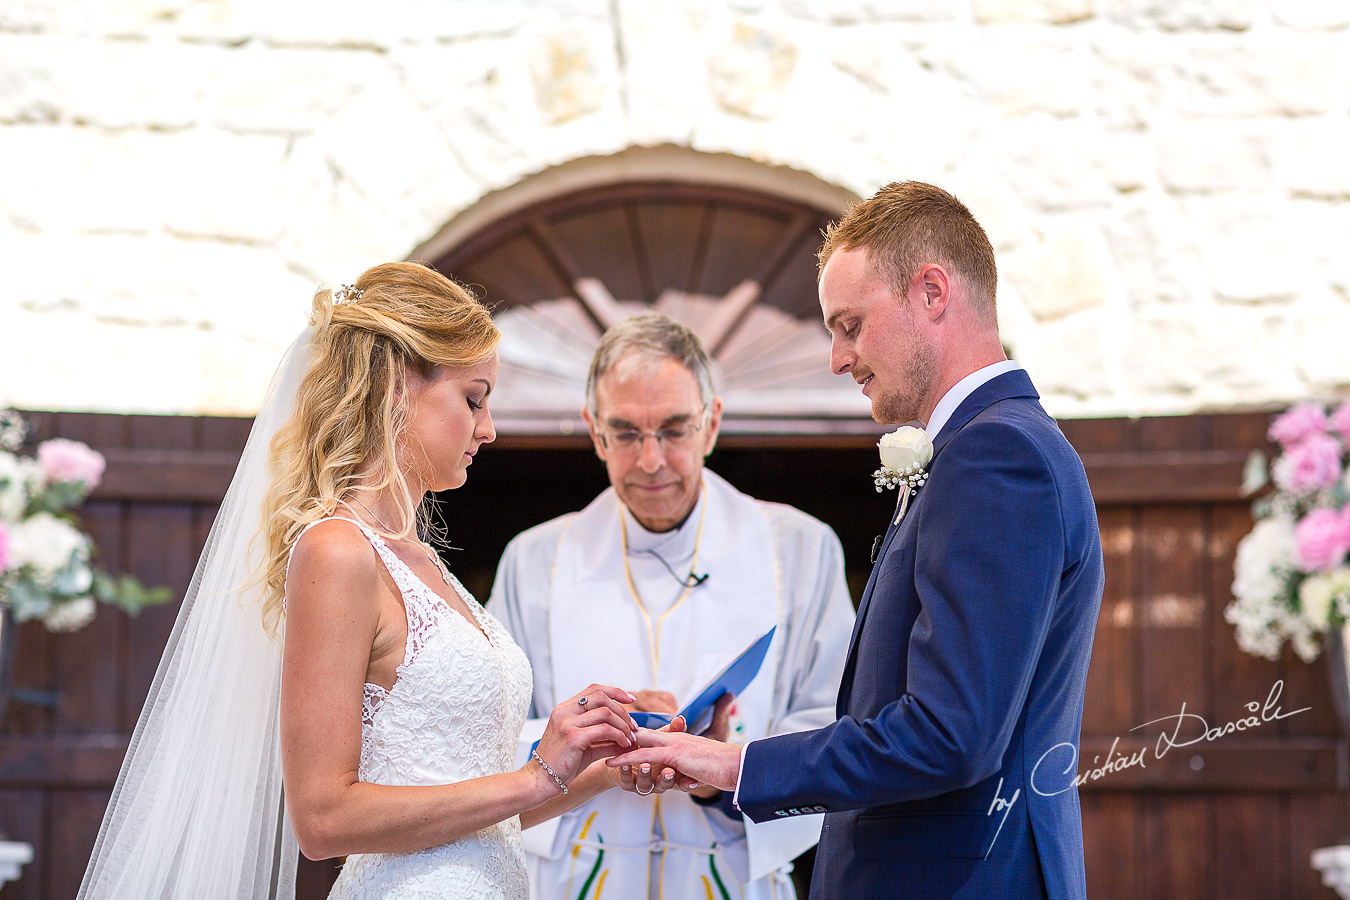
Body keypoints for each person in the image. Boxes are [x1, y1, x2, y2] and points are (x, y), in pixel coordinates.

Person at [79, 262, 644, 899]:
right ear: (399, 386)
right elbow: (322, 818)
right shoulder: (335, 552)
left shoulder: (423, 563)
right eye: (474, 398)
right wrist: (538, 775)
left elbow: (481, 821)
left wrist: (597, 766)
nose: (487, 429)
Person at [608, 183, 1106, 900]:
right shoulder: (992, 446)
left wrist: (737, 767)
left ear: (932, 293)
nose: (838, 358)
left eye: (850, 325)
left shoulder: (997, 457)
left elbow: (949, 735)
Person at [491, 313, 856, 899]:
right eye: (627, 433)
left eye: (674, 430)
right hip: (577, 876)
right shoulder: (534, 560)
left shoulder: (799, 549)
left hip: (729, 872)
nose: (652, 460)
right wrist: (590, 740)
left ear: (711, 424)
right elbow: (489, 737)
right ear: (594, 431)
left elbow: (832, 726)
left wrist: (720, 772)